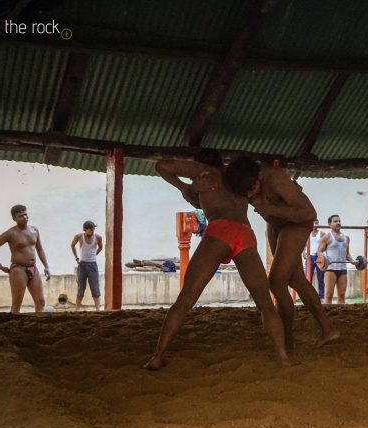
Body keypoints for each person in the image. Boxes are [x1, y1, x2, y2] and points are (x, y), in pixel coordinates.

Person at [143, 150, 291, 370]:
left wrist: (185, 187)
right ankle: (283, 358)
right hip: (245, 233)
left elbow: (162, 167)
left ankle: (158, 355)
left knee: (186, 299)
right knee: (265, 304)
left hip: (220, 231)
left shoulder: (204, 172)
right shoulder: (235, 179)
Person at [225, 157, 339, 352]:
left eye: (252, 190)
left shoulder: (276, 179)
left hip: (296, 223)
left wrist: (271, 209)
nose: (250, 196)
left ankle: (286, 339)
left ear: (258, 177)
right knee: (296, 281)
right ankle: (327, 329)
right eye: (246, 194)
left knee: (276, 281)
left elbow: (309, 213)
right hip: (276, 223)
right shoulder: (241, 182)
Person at [0, 204, 50, 314]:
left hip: (33, 268)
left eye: (26, 214)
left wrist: (46, 266)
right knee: (16, 305)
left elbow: (40, 249)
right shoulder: (11, 233)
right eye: (20, 216)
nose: (24, 217)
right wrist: (0, 266)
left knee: (41, 302)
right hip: (18, 270)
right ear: (14, 218)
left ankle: (38, 329)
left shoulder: (34, 230)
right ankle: (13, 330)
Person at [317, 214, 359, 304]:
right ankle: (326, 316)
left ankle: (341, 317)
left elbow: (347, 254)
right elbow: (319, 252)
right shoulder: (326, 237)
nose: (338, 223)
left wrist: (353, 261)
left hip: (342, 269)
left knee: (342, 295)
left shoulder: (346, 238)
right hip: (330, 269)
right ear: (330, 224)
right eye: (335, 221)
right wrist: (324, 259)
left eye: (339, 221)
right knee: (328, 295)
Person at [70, 220, 103, 311]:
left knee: (95, 287)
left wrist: (94, 254)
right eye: (91, 230)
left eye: (93, 229)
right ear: (85, 229)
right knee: (81, 287)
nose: (93, 231)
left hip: (93, 265)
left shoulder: (98, 237)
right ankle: (77, 309)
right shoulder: (79, 237)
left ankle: (98, 309)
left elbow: (101, 247)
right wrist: (77, 258)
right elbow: (72, 245)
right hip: (82, 265)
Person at [303, 219, 326, 299]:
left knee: (320, 277)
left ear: (318, 224)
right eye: (313, 223)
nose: (314, 225)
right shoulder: (307, 233)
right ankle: (308, 296)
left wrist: (320, 252)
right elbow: (304, 244)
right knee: (308, 277)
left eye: (316, 223)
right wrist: (303, 252)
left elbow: (326, 245)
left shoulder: (322, 234)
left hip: (319, 257)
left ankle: (322, 296)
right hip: (310, 257)